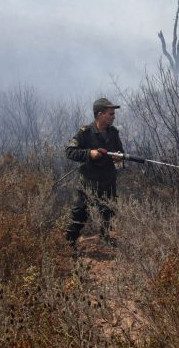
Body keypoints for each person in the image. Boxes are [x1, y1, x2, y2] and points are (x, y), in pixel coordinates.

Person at [65, 97, 124, 250]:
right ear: (100, 114)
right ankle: (68, 244)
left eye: (113, 114)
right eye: (110, 114)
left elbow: (121, 154)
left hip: (108, 182)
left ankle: (105, 238)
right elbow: (70, 152)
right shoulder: (85, 133)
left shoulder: (113, 133)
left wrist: (119, 157)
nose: (113, 116)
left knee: (108, 213)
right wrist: (89, 154)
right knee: (79, 215)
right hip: (88, 185)